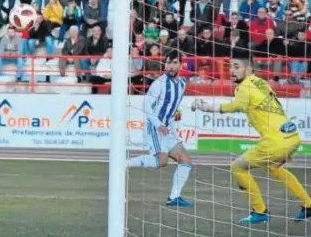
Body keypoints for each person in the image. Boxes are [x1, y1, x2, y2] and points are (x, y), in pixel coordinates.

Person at [192, 58, 311, 223]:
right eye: (230, 67)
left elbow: (233, 107)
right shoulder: (261, 82)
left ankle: (260, 211)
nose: (231, 71)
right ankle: (308, 204)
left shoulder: (244, 87)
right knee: (273, 168)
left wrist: (205, 106)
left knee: (237, 167)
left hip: (275, 141)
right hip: (291, 136)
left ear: (248, 69)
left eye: (236, 67)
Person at [127, 51, 193, 208]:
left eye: (174, 62)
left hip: (167, 130)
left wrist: (174, 132)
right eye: (168, 62)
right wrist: (158, 125)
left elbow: (173, 111)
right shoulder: (159, 83)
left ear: (180, 65)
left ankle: (174, 197)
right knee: (161, 162)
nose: (170, 66)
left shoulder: (182, 85)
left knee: (186, 161)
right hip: (154, 129)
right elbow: (146, 106)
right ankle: (125, 163)